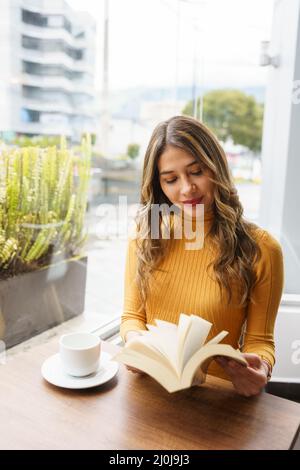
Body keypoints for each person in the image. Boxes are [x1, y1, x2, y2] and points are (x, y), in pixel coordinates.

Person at [120, 115, 284, 397]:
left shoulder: (262, 248)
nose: (186, 189)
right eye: (171, 179)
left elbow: (260, 341)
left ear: (216, 167)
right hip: (149, 392)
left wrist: (262, 368)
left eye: (196, 172)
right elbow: (132, 316)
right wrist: (136, 344)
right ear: (159, 185)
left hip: (217, 399)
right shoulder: (145, 236)